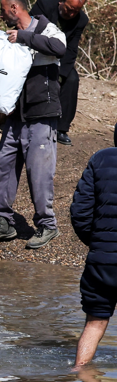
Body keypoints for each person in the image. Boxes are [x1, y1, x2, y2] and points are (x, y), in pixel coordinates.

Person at [0, 0, 68, 250]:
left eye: (3, 10)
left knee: (39, 173)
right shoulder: (9, 38)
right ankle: (3, 222)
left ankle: (47, 225)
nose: (1, 14)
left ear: (15, 9)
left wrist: (25, 38)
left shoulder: (47, 29)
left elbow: (60, 48)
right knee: (3, 168)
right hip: (16, 116)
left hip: (42, 114)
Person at [70, 124, 117, 366]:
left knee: (94, 323)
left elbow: (80, 212)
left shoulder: (100, 158)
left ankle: (81, 380)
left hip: (100, 261)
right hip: (102, 253)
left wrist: (98, 243)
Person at [31, 0, 90, 145]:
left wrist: (61, 74)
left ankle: (61, 128)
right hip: (34, 51)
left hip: (57, 57)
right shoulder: (43, 5)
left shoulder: (81, 20)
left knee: (72, 79)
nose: (71, 14)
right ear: (61, 0)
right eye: (69, 9)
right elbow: (31, 31)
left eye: (75, 11)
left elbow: (71, 48)